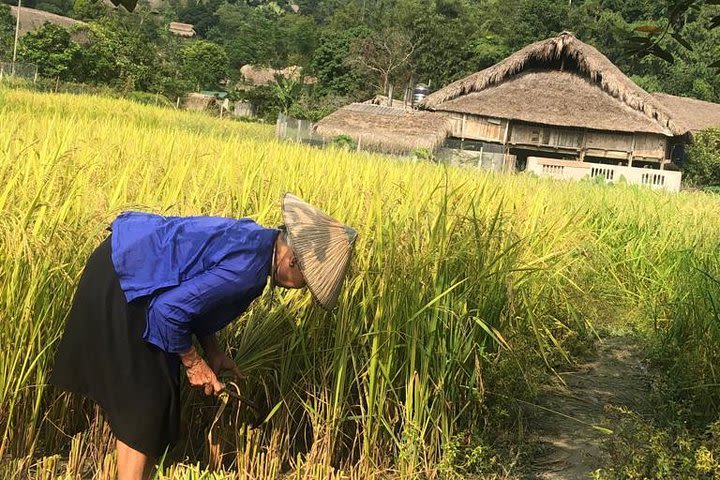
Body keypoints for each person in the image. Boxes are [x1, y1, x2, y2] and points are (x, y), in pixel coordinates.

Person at [49, 193, 357, 480]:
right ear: (292, 261)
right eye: (306, 282)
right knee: (147, 405)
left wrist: (213, 352)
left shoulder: (256, 239)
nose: (300, 289)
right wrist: (194, 364)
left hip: (125, 263)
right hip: (128, 279)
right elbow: (168, 312)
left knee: (149, 402)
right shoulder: (249, 271)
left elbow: (195, 295)